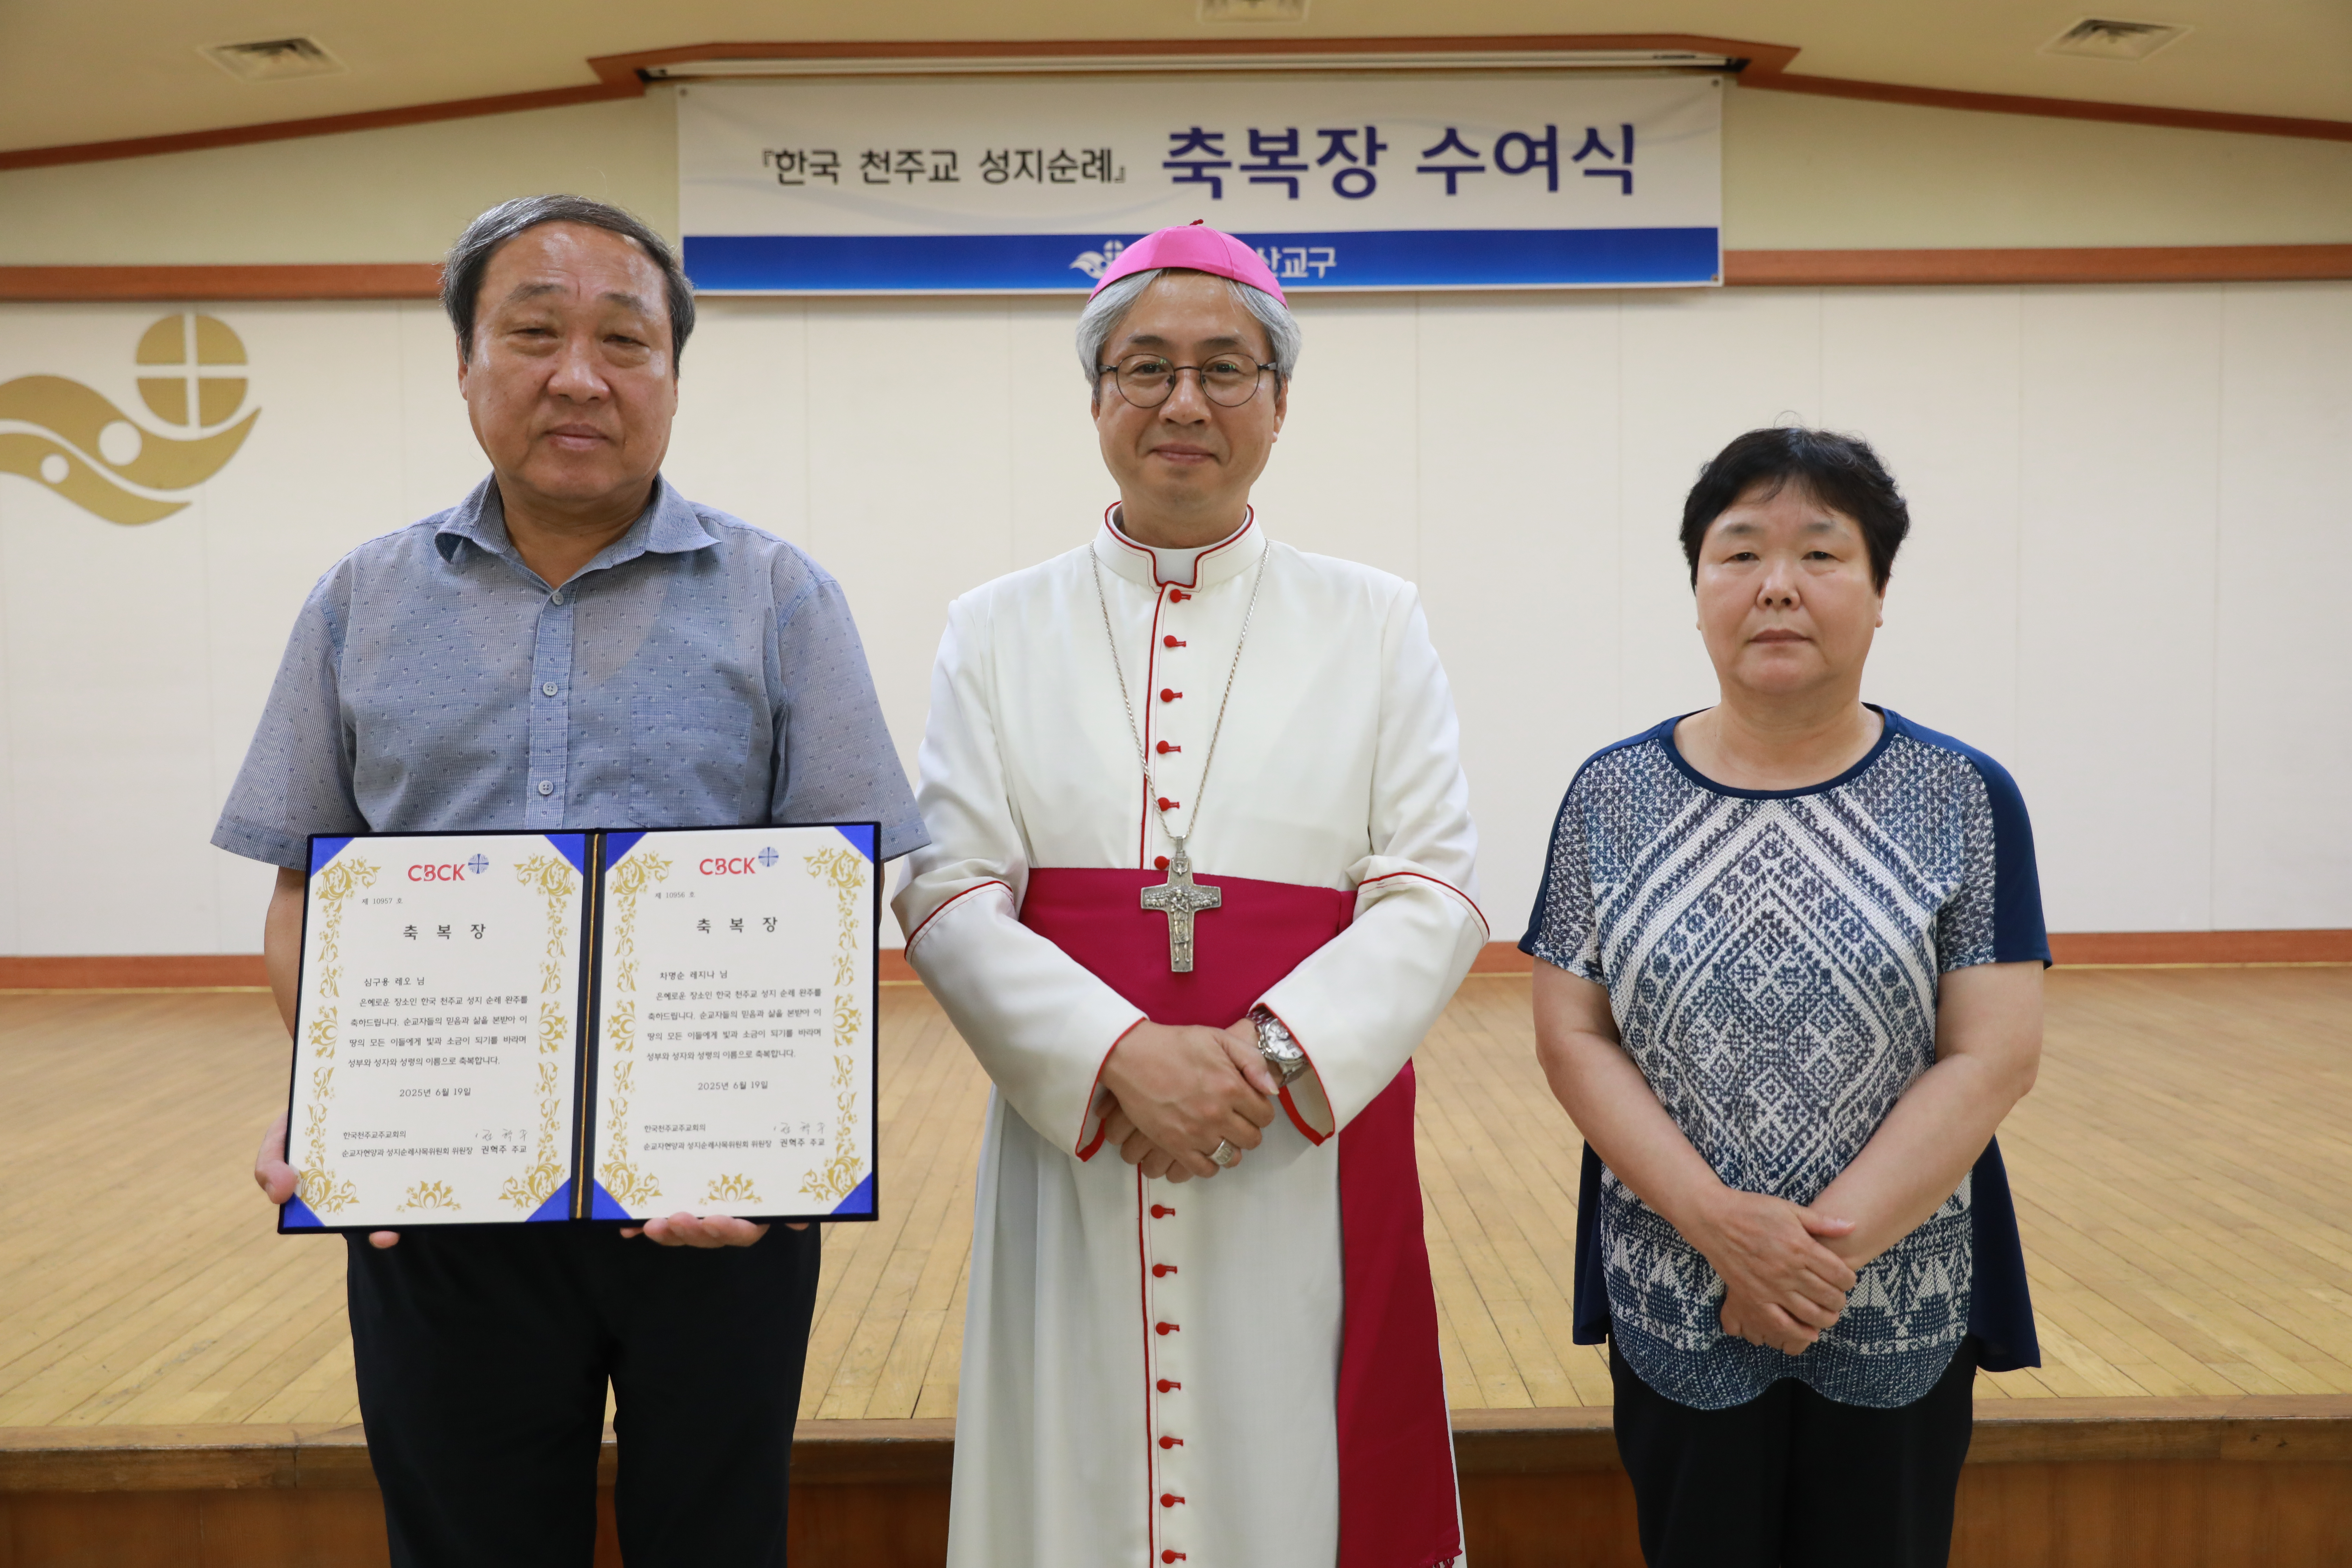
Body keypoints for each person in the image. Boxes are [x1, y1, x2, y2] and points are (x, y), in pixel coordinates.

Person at [220, 194, 924, 1567]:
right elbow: (306, 885)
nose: (580, 375)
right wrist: (341, 1103)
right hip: (441, 1204)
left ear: (673, 374)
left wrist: (788, 1146)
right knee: (466, 1539)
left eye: (625, 339)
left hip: (718, 1196)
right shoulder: (357, 602)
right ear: (468, 367)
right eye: (533, 333)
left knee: (715, 1539)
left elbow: (836, 903)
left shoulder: (783, 597)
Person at [893, 223, 1484, 1568]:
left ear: (1281, 402)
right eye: (1144, 367)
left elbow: (1433, 890)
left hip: (1293, 1145)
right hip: (1082, 1141)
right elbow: (947, 887)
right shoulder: (996, 625)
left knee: (1304, 1471)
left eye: (1227, 368)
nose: (1184, 403)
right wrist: (1116, 1055)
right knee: (1078, 1473)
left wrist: (1263, 1060)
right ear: (1095, 396)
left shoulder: (1375, 619)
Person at [1524, 426, 2046, 1568]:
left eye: (1821, 554)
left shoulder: (1966, 794)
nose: (1776, 587)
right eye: (1739, 552)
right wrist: (1720, 1229)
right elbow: (1572, 1033)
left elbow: (1992, 1056)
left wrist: (1814, 1257)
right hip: (1676, 1283)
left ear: (1878, 591)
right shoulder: (1610, 793)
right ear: (1698, 588)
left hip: (1900, 1287)